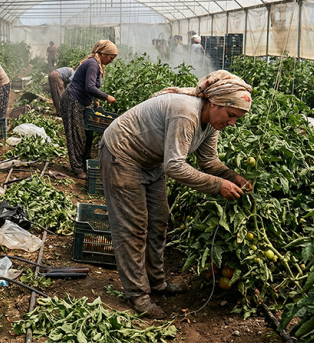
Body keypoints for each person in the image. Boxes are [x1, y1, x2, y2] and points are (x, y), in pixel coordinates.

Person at [99, 70, 253, 318]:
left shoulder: (211, 123)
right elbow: (175, 167)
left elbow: (208, 161)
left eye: (237, 118)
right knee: (133, 227)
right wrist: (218, 186)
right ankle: (138, 295)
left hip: (151, 161)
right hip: (122, 154)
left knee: (159, 220)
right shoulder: (187, 112)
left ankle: (156, 283)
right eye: (231, 115)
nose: (232, 123)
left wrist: (234, 177)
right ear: (214, 103)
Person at [60, 40, 117, 179]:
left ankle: (85, 163)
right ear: (103, 53)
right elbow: (89, 87)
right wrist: (106, 97)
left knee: (87, 135)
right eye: (110, 58)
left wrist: (95, 100)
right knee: (76, 136)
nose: (111, 61)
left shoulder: (97, 63)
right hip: (73, 101)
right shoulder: (92, 64)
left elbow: (89, 86)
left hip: (82, 102)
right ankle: (78, 169)